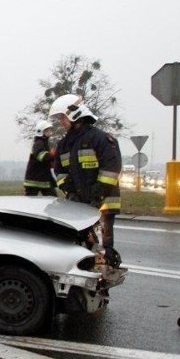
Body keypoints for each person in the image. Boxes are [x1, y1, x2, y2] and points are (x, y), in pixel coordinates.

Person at [49, 94, 122, 267]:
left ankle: (105, 279)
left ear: (74, 114)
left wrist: (96, 196)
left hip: (104, 204)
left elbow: (111, 170)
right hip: (79, 204)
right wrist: (71, 192)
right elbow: (60, 172)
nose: (61, 122)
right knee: (84, 246)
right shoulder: (64, 144)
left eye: (62, 117)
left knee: (104, 248)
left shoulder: (101, 139)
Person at [23, 120, 57, 196]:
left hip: (43, 179)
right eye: (47, 130)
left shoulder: (43, 143)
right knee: (52, 202)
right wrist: (53, 154)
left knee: (53, 201)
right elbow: (42, 156)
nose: (49, 132)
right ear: (41, 132)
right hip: (34, 181)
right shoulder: (39, 143)